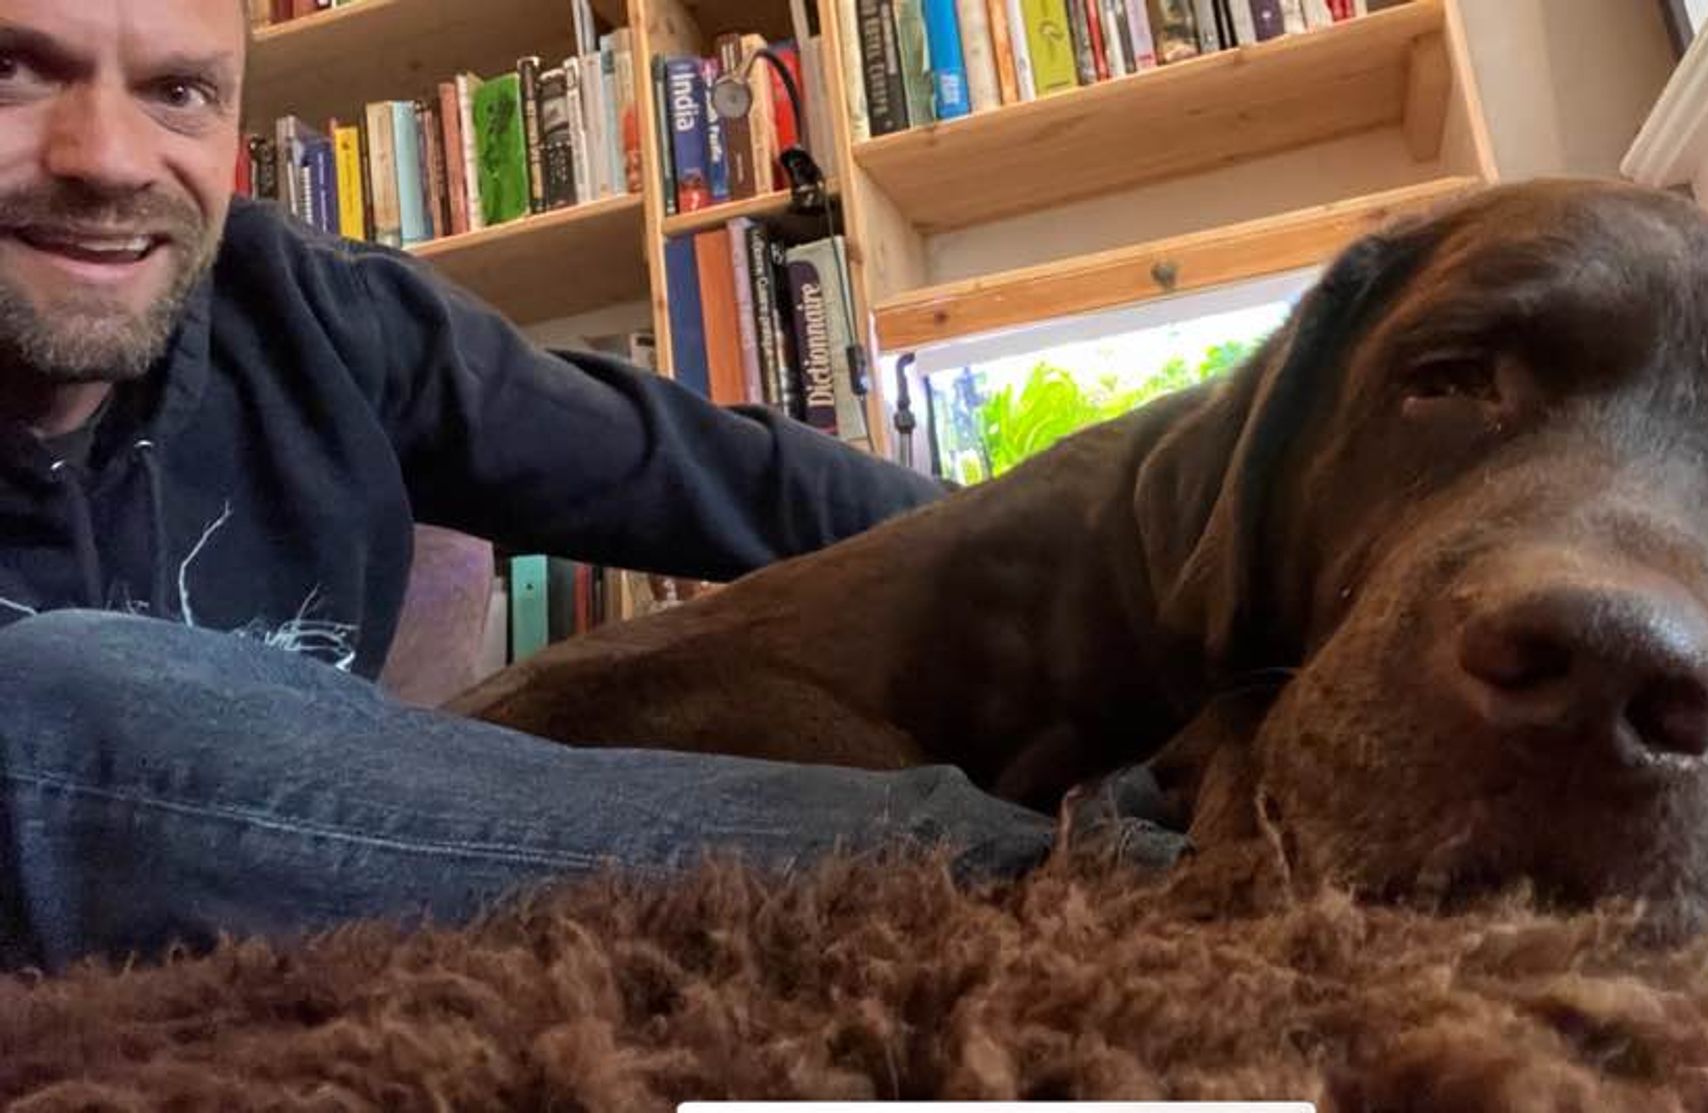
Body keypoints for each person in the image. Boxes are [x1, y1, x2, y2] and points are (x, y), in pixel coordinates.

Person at [0, 0, 1183, 970]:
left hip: (280, 937)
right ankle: (1057, 868)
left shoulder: (310, 313)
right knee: (49, 702)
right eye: (15, 70)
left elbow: (706, 476)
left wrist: (1120, 572)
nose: (106, 158)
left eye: (179, 92)